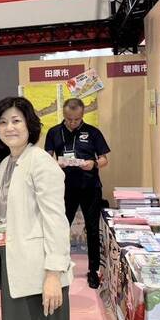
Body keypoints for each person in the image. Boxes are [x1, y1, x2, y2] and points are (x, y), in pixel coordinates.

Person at [0, 96, 72, 320]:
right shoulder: (6, 164)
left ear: (30, 125)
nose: (9, 127)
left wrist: (53, 273)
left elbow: (56, 220)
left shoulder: (41, 163)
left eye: (16, 121)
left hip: (41, 270)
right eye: (2, 122)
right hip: (15, 266)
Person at [44, 97, 110, 289]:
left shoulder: (93, 132)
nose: (73, 123)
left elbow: (104, 159)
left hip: (90, 187)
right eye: (69, 119)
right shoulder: (54, 132)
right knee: (61, 228)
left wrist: (94, 164)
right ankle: (59, 267)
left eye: (76, 119)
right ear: (64, 115)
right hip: (64, 188)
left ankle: (93, 271)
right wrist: (55, 164)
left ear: (82, 115)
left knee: (92, 229)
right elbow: (46, 158)